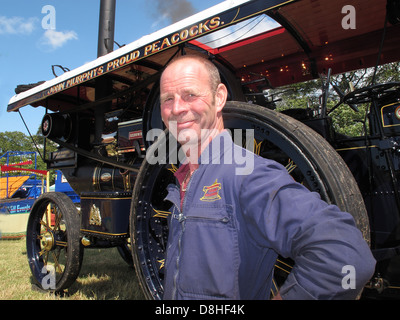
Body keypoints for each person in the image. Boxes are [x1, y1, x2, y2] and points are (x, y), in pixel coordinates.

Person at [158, 54, 376, 300]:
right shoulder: (185, 177)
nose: (177, 108)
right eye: (168, 99)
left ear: (219, 97)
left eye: (190, 95)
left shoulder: (249, 174)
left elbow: (347, 257)